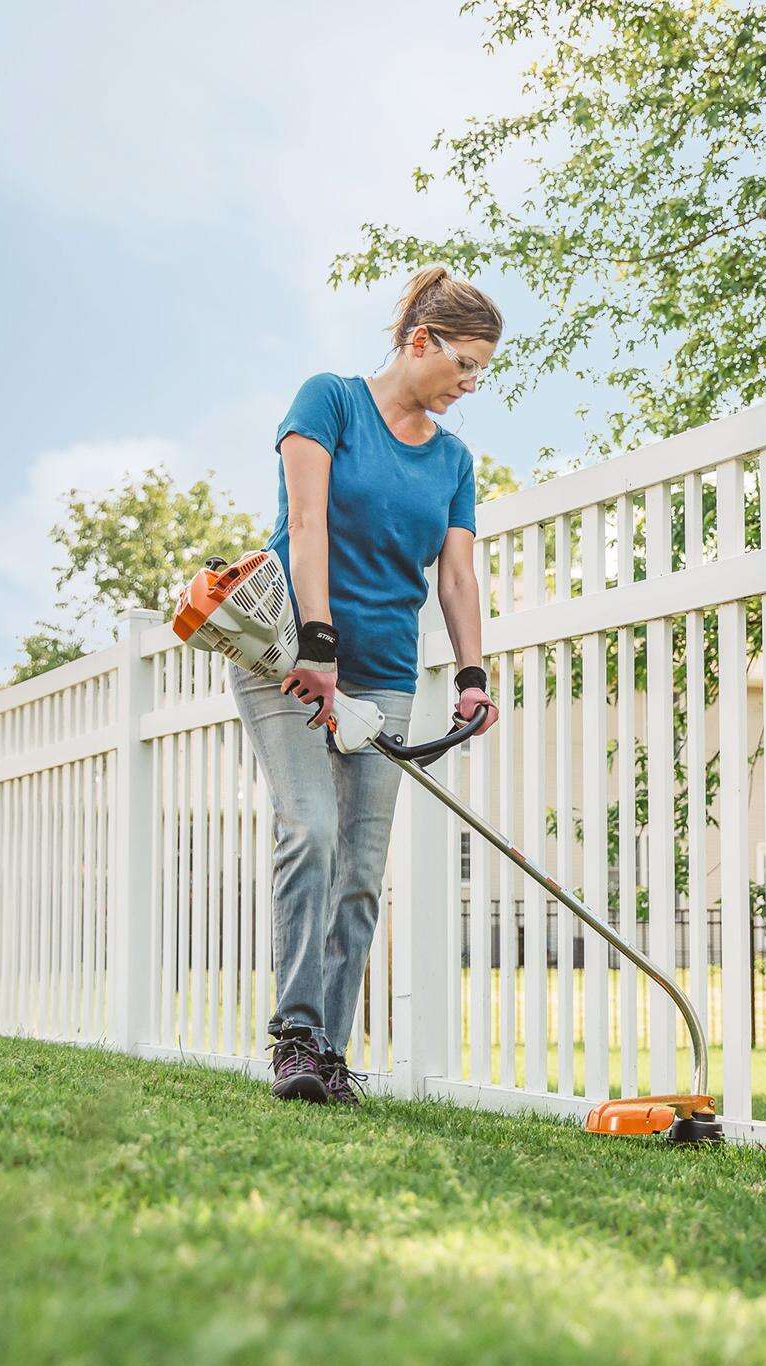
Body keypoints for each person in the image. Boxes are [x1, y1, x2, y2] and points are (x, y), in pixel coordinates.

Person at [233, 266, 502, 1105]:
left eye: (481, 373)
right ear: (420, 340)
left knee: (360, 867)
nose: (469, 384)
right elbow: (305, 522)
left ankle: (328, 1051)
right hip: (288, 656)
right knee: (311, 832)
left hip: (384, 676)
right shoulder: (330, 402)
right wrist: (316, 642)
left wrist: (470, 673)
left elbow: (455, 577)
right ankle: (294, 1035)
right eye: (463, 364)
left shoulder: (454, 459)